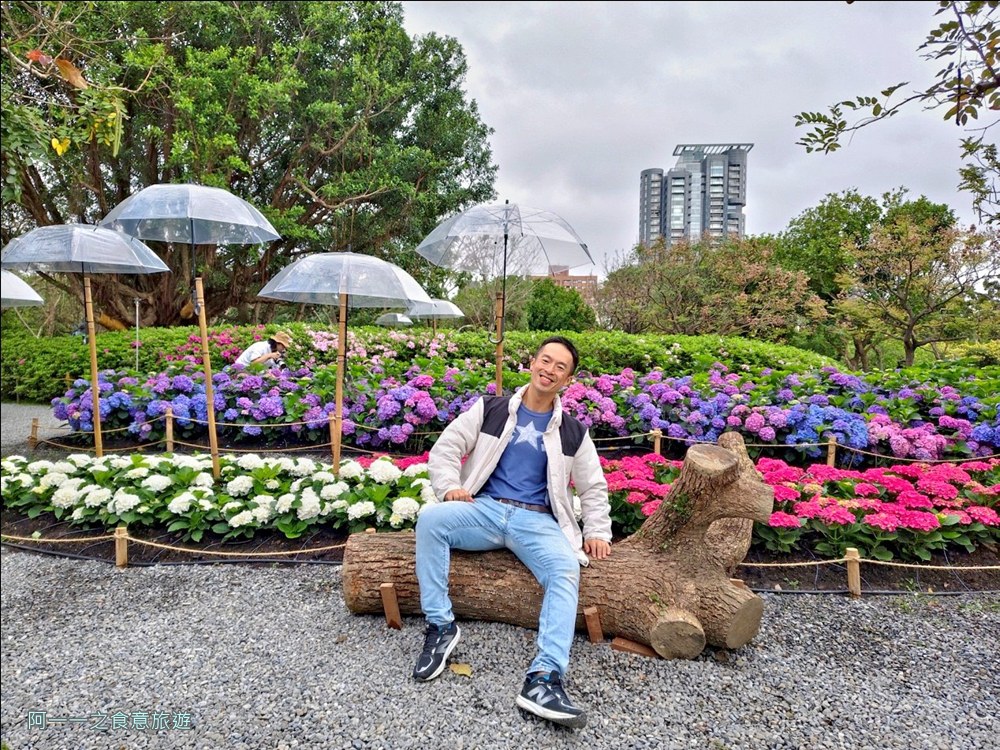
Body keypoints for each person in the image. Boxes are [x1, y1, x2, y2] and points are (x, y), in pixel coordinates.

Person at [412, 335, 612, 730]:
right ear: (532, 363)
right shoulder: (491, 408)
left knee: (564, 570)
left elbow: (592, 486)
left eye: (560, 367)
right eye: (545, 360)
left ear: (568, 380)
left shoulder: (573, 432)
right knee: (432, 521)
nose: (549, 370)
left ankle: (544, 679)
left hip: (537, 521)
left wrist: (598, 531)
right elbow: (446, 448)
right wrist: (449, 487)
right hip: (485, 509)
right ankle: (440, 627)